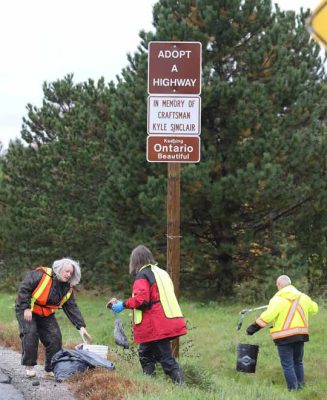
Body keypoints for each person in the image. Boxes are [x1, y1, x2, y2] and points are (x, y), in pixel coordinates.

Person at [107, 244, 187, 384]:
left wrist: (123, 305)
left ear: (135, 261)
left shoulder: (142, 275)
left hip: (156, 325)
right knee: (145, 354)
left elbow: (142, 301)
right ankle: (149, 385)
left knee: (166, 360)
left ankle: (183, 388)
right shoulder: (161, 273)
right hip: (167, 319)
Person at [15, 257, 92, 378]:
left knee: (55, 337)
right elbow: (24, 289)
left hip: (46, 313)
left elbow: (72, 307)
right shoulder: (41, 274)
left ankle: (50, 369)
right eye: (66, 271)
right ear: (59, 269)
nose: (68, 275)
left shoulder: (68, 288)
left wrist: (81, 327)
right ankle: (29, 366)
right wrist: (26, 308)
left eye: (71, 273)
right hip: (28, 309)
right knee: (30, 334)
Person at [246, 275, 318, 391]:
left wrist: (251, 329)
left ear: (279, 285)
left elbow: (266, 317)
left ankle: (293, 390)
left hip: (284, 338)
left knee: (288, 365)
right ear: (290, 284)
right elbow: (314, 309)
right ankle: (300, 387)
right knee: (298, 362)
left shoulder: (277, 300)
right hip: (300, 336)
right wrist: (309, 303)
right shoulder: (303, 297)